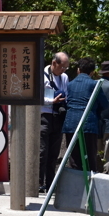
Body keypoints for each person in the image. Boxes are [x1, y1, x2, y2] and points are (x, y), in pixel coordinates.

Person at [62, 57, 106, 173]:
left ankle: (76, 187)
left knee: (74, 158)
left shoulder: (70, 85)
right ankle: (90, 187)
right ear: (92, 72)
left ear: (78, 70)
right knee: (89, 157)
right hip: (88, 124)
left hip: (70, 123)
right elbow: (104, 104)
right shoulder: (94, 84)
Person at [40, 52, 70, 193]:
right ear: (54, 63)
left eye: (66, 67)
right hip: (44, 115)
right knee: (42, 151)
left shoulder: (64, 77)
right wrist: (52, 101)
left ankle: (50, 185)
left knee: (54, 153)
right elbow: (37, 98)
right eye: (62, 67)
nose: (63, 70)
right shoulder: (42, 75)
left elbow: (67, 94)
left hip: (58, 117)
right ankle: (39, 183)